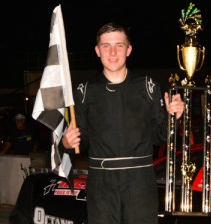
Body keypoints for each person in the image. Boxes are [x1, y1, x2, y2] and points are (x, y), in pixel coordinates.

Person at [62, 22, 185, 224]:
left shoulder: (148, 86)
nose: (112, 52)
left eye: (119, 45)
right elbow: (81, 141)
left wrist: (175, 117)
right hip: (101, 186)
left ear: (128, 50)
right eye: (105, 46)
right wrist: (67, 143)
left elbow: (160, 136)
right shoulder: (84, 91)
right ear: (97, 51)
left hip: (140, 183)